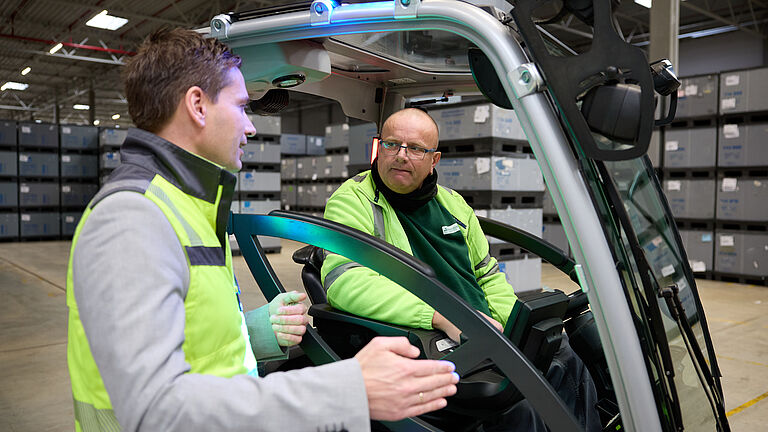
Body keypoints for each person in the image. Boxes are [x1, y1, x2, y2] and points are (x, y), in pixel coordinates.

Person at [66, 29, 459, 432]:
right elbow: (155, 411)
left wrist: (253, 330)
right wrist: (347, 389)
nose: (250, 126)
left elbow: (191, 344)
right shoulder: (133, 220)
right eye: (240, 106)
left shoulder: (183, 208)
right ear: (198, 105)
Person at [321, 108, 601, 431]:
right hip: (431, 342)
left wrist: (516, 328)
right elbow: (345, 281)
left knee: (567, 360)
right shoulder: (352, 200)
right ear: (378, 147)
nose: (400, 156)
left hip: (483, 334)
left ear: (434, 160)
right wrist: (442, 316)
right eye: (391, 144)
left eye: (414, 149)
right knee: (522, 404)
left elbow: (487, 275)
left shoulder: (454, 206)